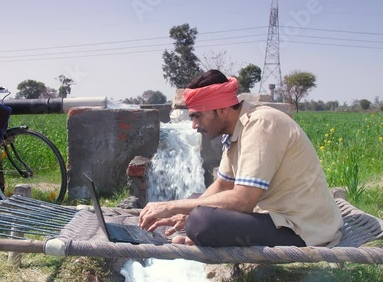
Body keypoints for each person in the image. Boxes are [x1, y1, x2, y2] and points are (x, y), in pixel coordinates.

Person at [138, 69, 343, 247]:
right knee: (195, 202)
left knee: (201, 221)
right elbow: (223, 185)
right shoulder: (237, 130)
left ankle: (198, 233)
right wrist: (185, 211)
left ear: (222, 110)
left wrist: (170, 206)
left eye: (197, 116)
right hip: (276, 217)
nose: (193, 125)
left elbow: (243, 201)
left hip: (304, 228)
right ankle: (197, 232)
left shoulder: (261, 125)